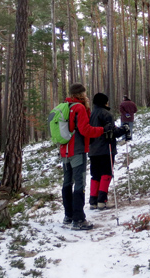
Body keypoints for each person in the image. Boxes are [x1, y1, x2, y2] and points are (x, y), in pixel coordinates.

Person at [60, 83, 107, 230]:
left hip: (64, 150)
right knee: (79, 184)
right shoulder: (79, 107)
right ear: (81, 94)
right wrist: (102, 130)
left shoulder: (64, 106)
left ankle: (68, 216)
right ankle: (79, 219)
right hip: (77, 150)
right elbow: (85, 130)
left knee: (67, 182)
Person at [88, 93, 129, 210]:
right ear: (104, 102)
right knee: (106, 174)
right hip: (106, 149)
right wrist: (123, 130)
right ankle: (102, 201)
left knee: (95, 175)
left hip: (93, 150)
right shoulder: (106, 114)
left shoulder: (90, 114)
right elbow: (111, 132)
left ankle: (93, 201)